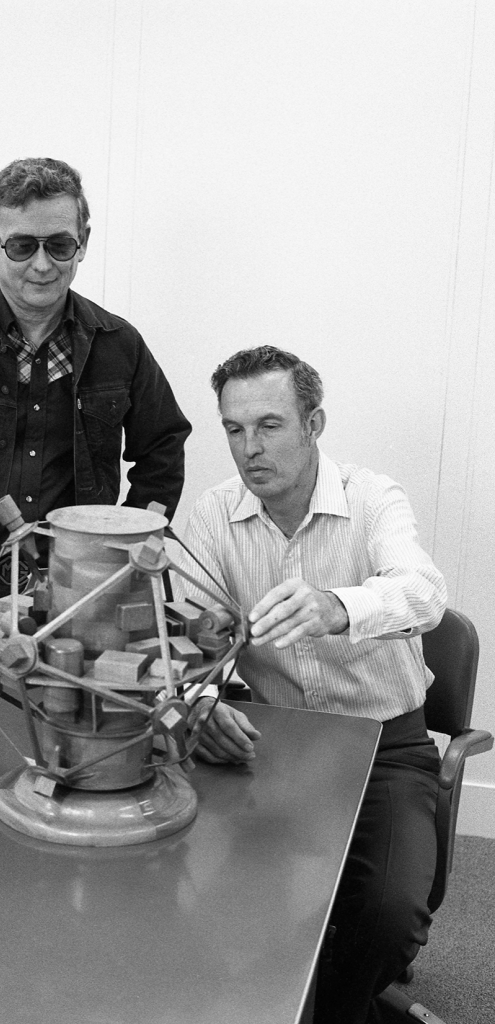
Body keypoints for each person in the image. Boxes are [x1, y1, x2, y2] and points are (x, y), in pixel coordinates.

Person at [179, 345, 447, 1024]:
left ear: (314, 423)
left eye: (269, 425)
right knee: (193, 905)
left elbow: (425, 593)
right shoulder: (214, 514)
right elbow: (178, 635)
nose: (249, 448)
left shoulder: (372, 497)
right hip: (274, 740)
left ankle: (330, 1009)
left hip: (385, 741)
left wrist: (336, 606)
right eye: (234, 429)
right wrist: (203, 699)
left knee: (389, 919)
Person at [0, 157, 191, 678]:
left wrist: (122, 549)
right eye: (22, 245)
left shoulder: (121, 346)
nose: (42, 265)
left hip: (79, 612)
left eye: (59, 245)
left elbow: (164, 446)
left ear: (82, 242)